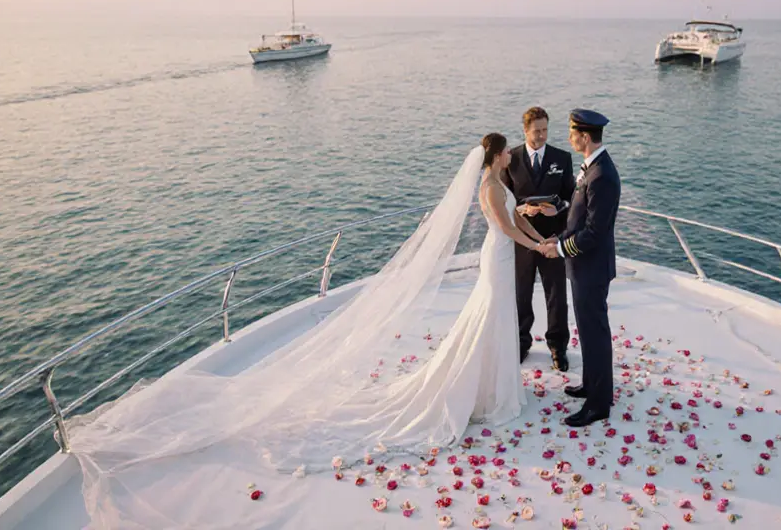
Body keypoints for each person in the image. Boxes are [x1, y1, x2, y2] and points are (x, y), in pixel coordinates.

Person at [69, 135, 548, 527]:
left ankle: (490, 388)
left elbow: (510, 220)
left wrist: (532, 231)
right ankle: (488, 392)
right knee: (488, 320)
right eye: (507, 151)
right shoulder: (490, 187)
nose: (510, 156)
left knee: (491, 322)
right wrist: (540, 242)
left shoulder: (494, 183)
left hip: (501, 256)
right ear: (497, 154)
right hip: (498, 257)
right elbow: (504, 229)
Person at [539, 109, 621, 428]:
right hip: (581, 266)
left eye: (573, 132)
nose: (570, 137)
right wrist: (556, 238)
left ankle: (599, 404)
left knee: (595, 334)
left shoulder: (602, 175)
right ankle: (590, 384)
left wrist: (559, 249)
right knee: (587, 332)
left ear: (585, 137)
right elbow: (576, 218)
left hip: (591, 268)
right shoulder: (592, 168)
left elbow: (594, 232)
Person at [501, 107, 576, 370]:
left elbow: (572, 197)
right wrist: (521, 210)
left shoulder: (562, 158)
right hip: (521, 239)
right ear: (525, 131)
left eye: (545, 130)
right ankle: (522, 342)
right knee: (521, 293)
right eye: (537, 131)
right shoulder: (510, 160)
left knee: (556, 294)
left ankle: (558, 346)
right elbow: (503, 200)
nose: (542, 135)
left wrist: (560, 208)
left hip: (553, 239)